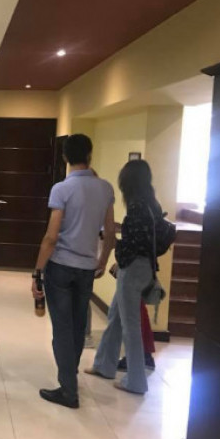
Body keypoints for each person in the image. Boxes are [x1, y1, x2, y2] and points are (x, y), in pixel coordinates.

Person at [31, 133, 115, 409]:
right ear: (89, 155)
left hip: (61, 267)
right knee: (78, 326)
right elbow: (110, 233)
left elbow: (51, 237)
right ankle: (70, 379)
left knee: (63, 329)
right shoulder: (105, 188)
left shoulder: (61, 189)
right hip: (87, 268)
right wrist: (102, 261)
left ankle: (68, 390)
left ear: (66, 157)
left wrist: (37, 271)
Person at [85, 159, 161, 394]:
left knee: (130, 326)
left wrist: (113, 244)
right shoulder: (151, 205)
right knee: (116, 317)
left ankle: (136, 380)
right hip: (144, 267)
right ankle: (104, 365)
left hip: (132, 270)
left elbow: (132, 245)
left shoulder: (137, 207)